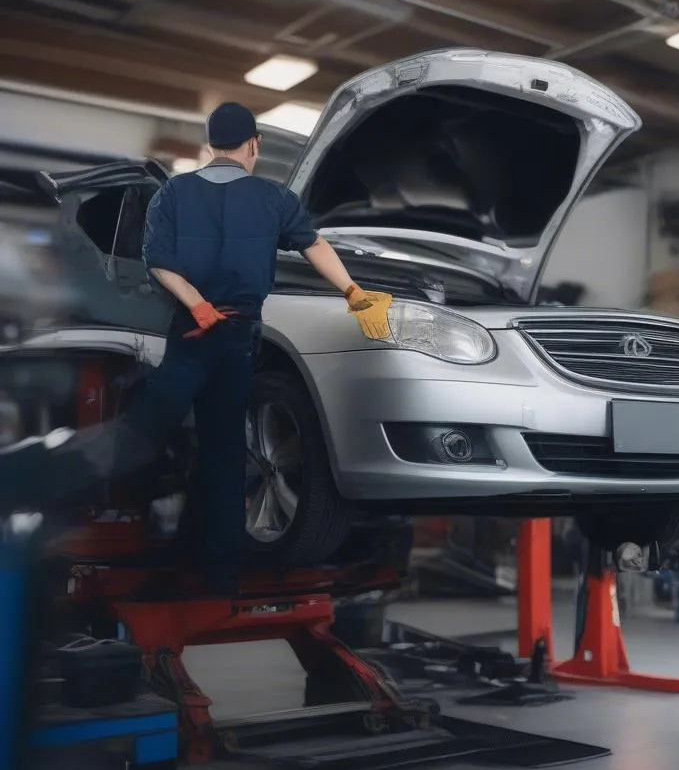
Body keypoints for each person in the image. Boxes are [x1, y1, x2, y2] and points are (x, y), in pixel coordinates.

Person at [0, 102, 390, 594]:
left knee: (141, 435)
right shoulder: (273, 197)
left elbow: (158, 263)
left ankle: (29, 482)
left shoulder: (175, 194)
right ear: (253, 146)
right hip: (237, 338)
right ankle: (218, 574)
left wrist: (197, 304)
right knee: (225, 453)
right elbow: (315, 247)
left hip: (192, 333)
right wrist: (353, 292)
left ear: (210, 147)